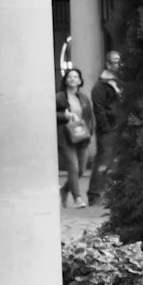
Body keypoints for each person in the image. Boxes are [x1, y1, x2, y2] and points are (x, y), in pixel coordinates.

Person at [58, 63, 98, 207]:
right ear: (65, 80)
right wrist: (64, 116)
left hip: (81, 137)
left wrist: (90, 132)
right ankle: (77, 198)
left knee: (81, 170)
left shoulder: (84, 98)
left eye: (76, 77)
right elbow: (51, 114)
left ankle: (64, 190)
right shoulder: (59, 97)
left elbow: (90, 116)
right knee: (73, 167)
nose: (73, 79)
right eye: (69, 77)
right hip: (65, 137)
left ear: (80, 81)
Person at [91, 49, 128, 203]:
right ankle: (95, 194)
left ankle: (111, 194)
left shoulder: (121, 83)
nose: (118, 64)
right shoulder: (100, 86)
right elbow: (99, 109)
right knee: (103, 162)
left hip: (121, 126)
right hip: (109, 129)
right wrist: (106, 128)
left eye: (119, 60)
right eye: (114, 61)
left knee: (117, 162)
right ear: (107, 63)